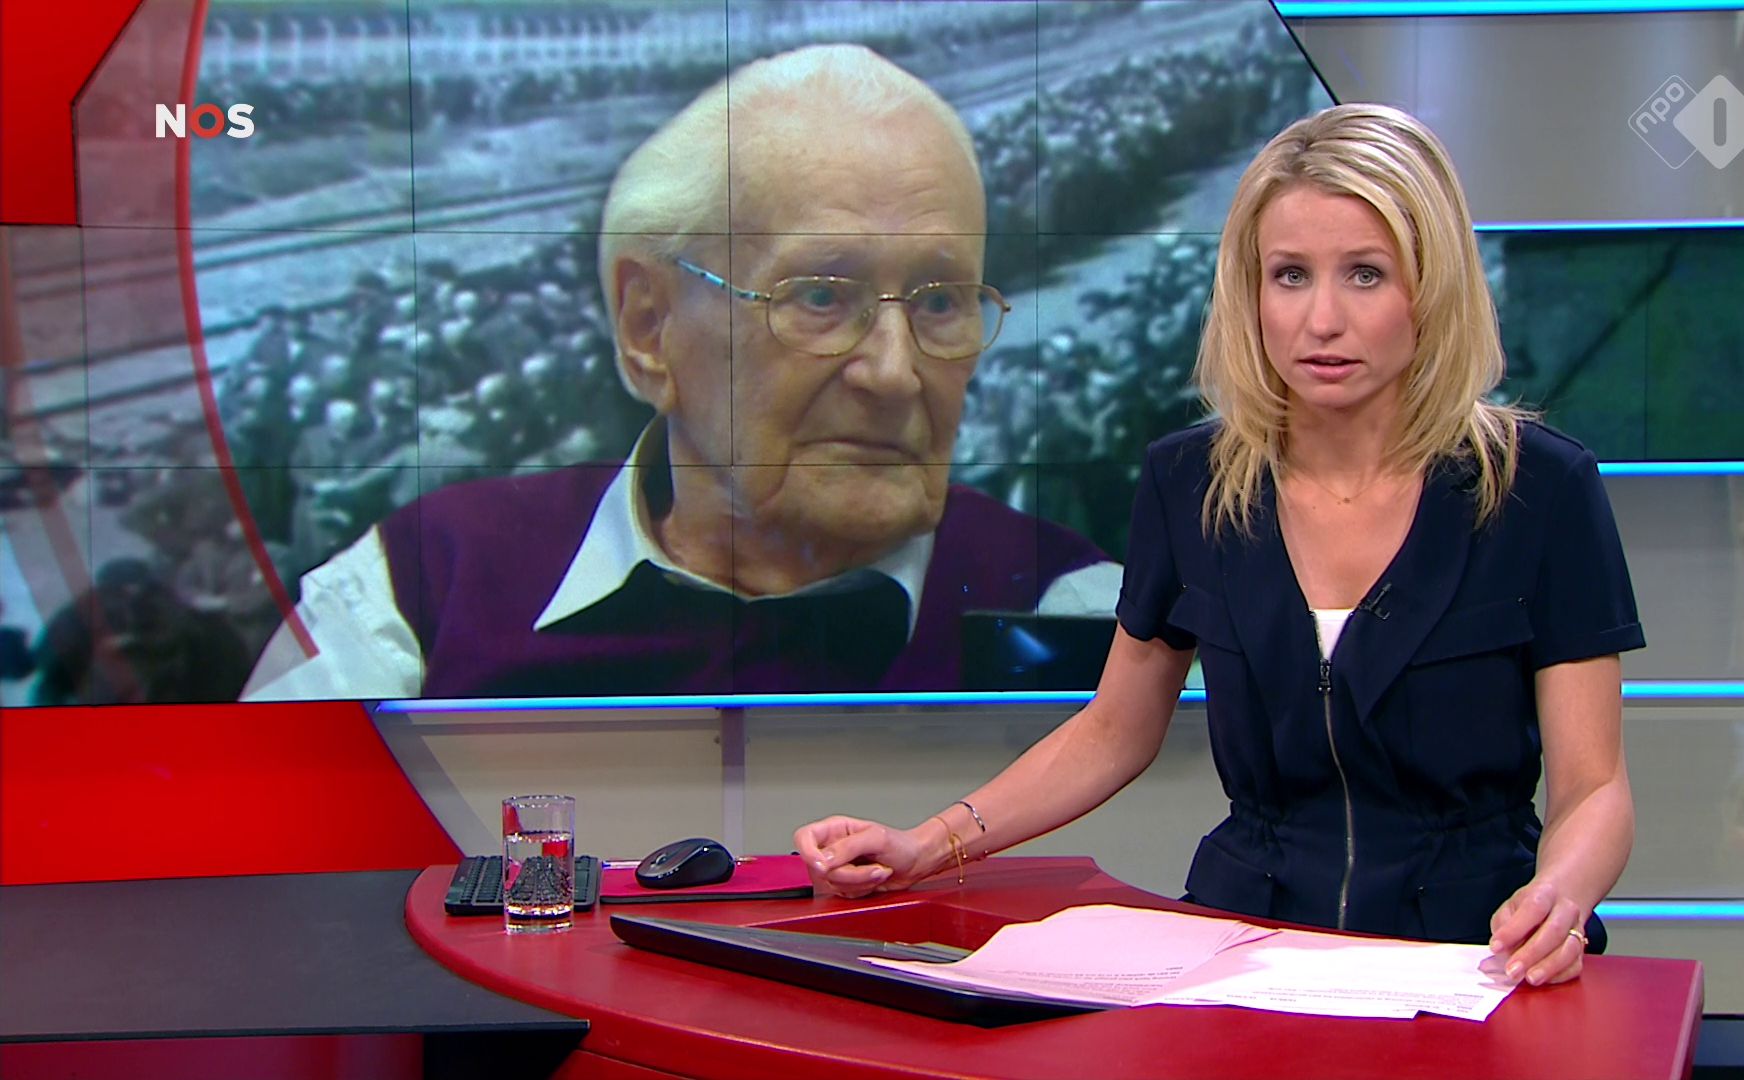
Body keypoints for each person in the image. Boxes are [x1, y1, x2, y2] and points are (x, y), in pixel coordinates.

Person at [795, 104, 1643, 989]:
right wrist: (928, 842)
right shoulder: (1189, 484)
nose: (1321, 319)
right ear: (1251, 291)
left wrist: (1561, 893)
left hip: (1472, 956)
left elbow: (1595, 788)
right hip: (1248, 943)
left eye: (1365, 274)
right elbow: (1114, 730)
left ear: (1432, 288)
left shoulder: (1540, 490)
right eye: (1289, 276)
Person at [241, 45, 1119, 701]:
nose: (895, 374)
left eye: (941, 302)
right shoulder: (416, 594)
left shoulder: (1075, 615)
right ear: (649, 328)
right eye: (820, 296)